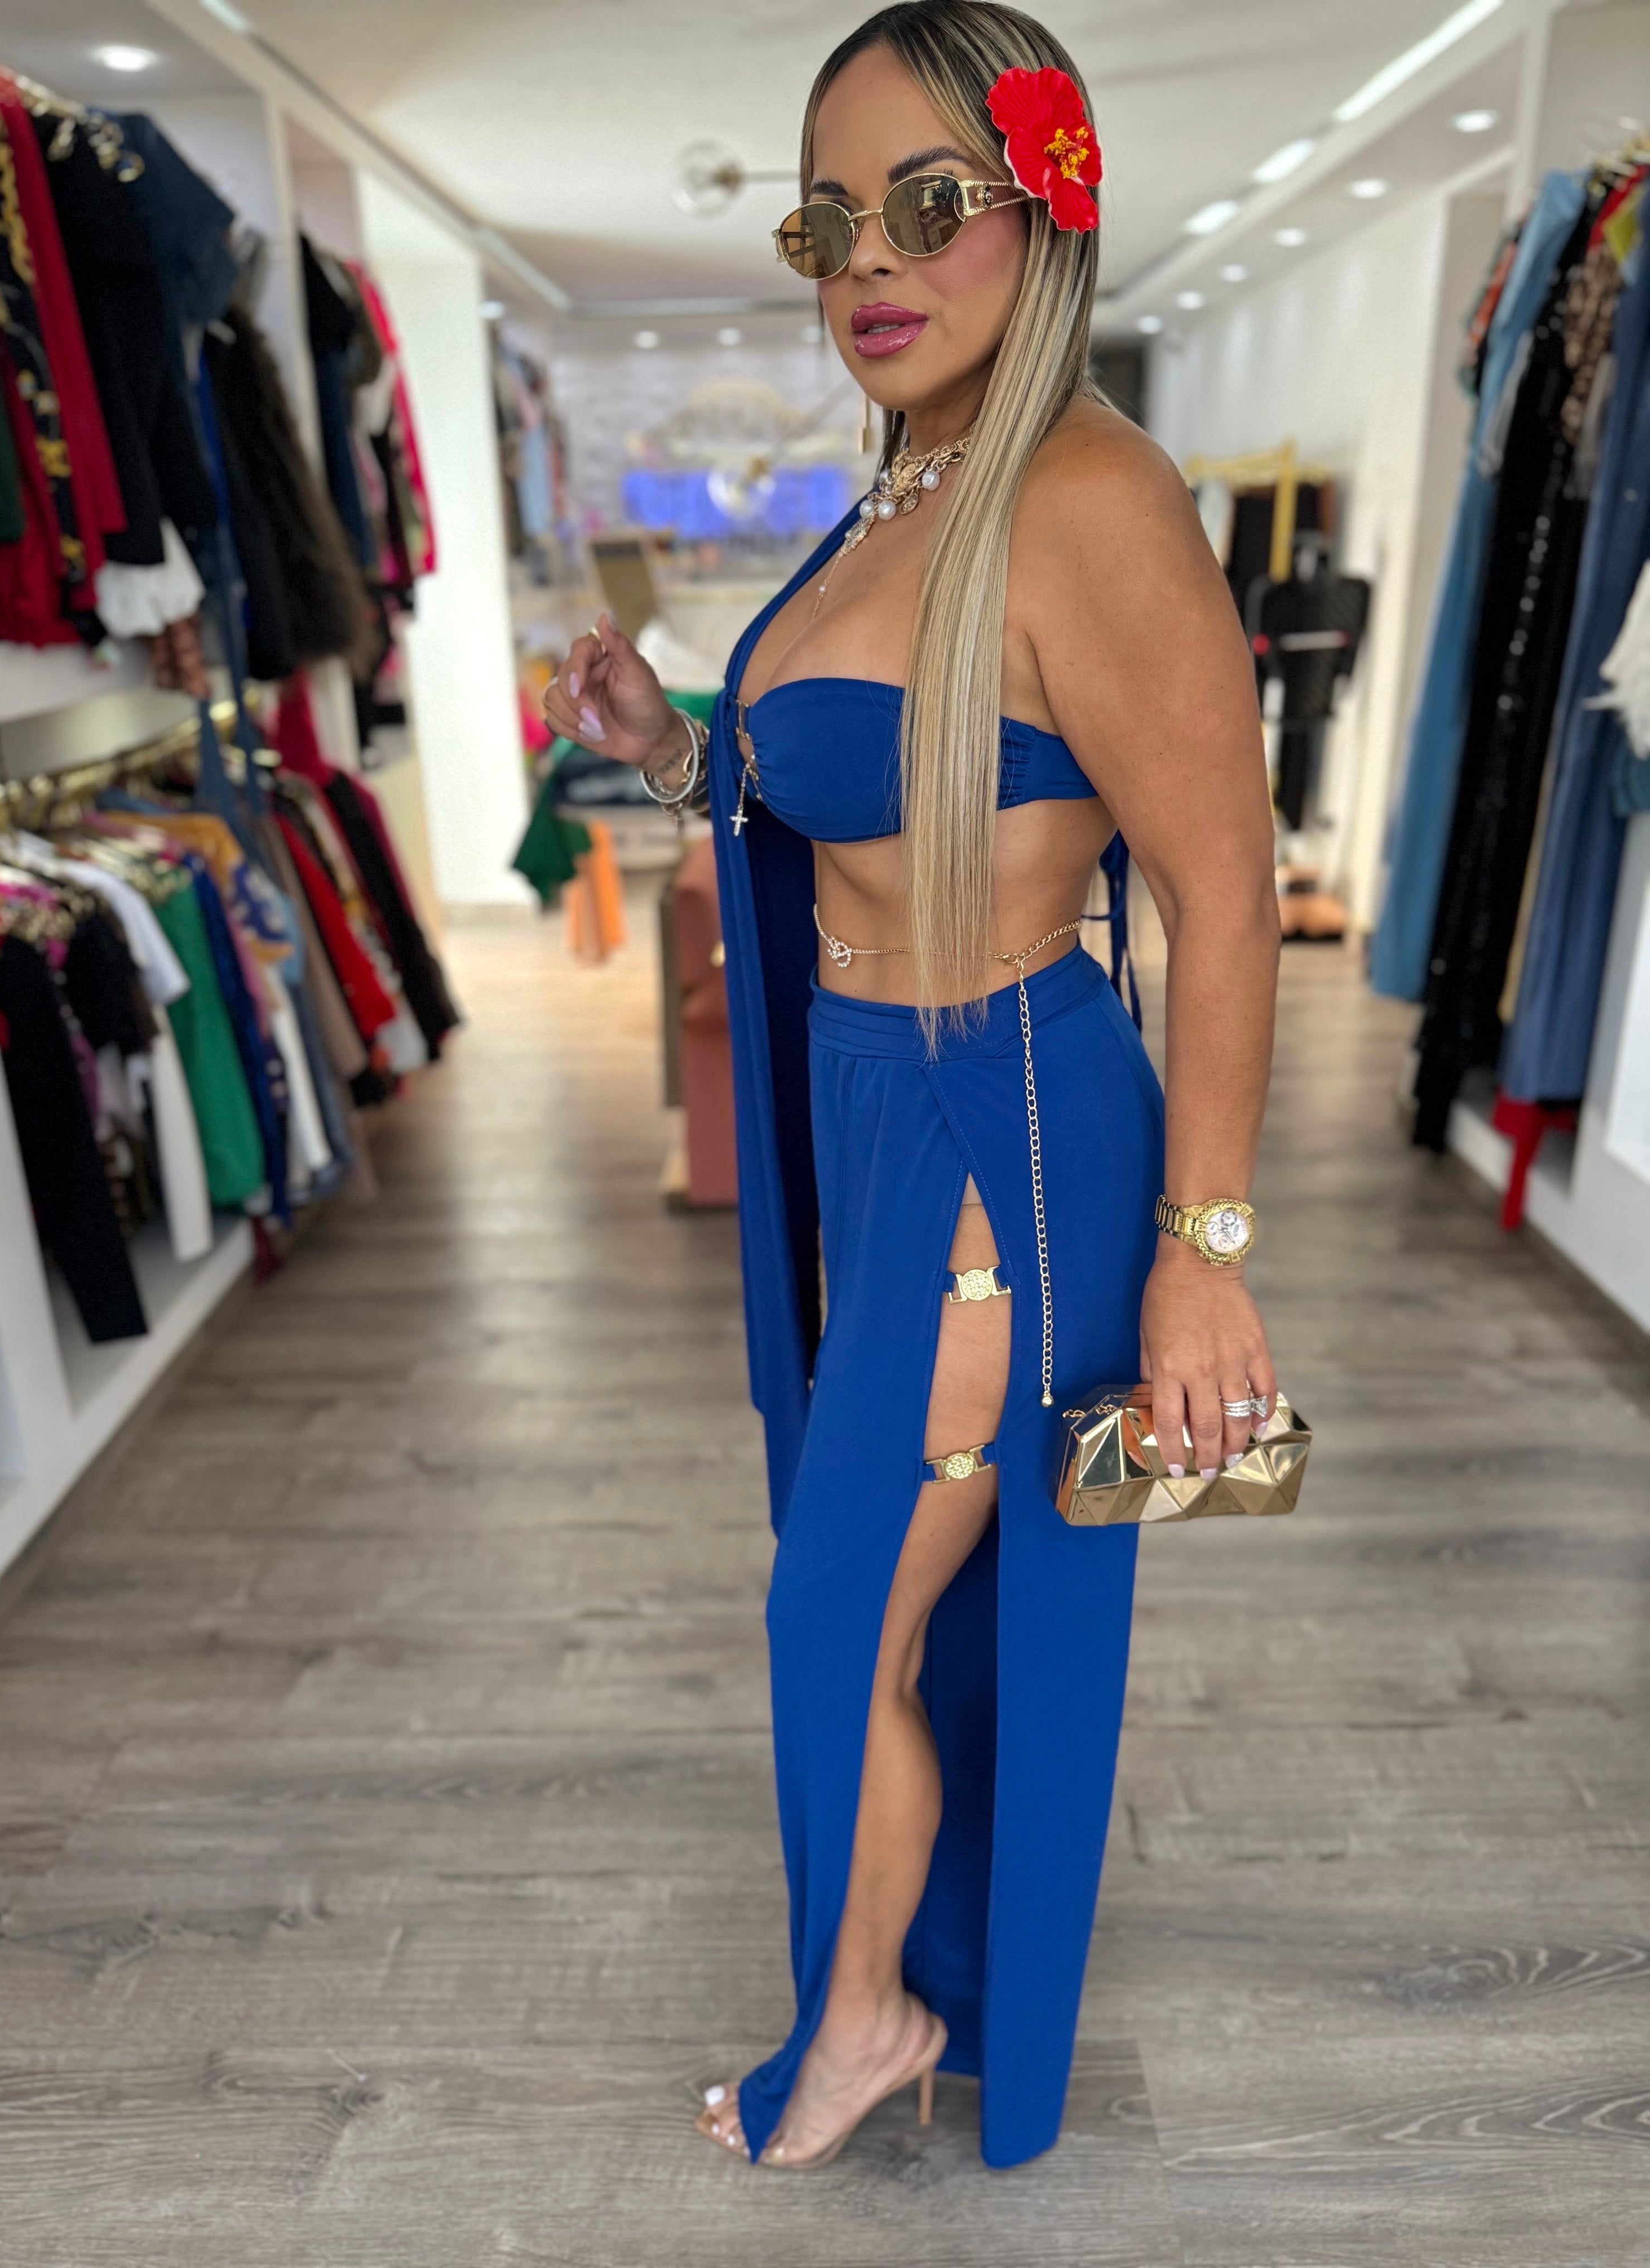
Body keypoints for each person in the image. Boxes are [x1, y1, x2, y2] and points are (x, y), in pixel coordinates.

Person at [543, 0, 1280, 2174]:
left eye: (929, 201)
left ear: (1045, 210)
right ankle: (894, 1982)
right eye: (827, 220)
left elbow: (1226, 900)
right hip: (875, 1115)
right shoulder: (908, 482)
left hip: (999, 1135)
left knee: (842, 1606)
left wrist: (1207, 1255)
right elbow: (870, 794)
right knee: (874, 1589)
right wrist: (674, 750)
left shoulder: (1089, 497)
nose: (869, 257)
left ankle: (872, 2014)